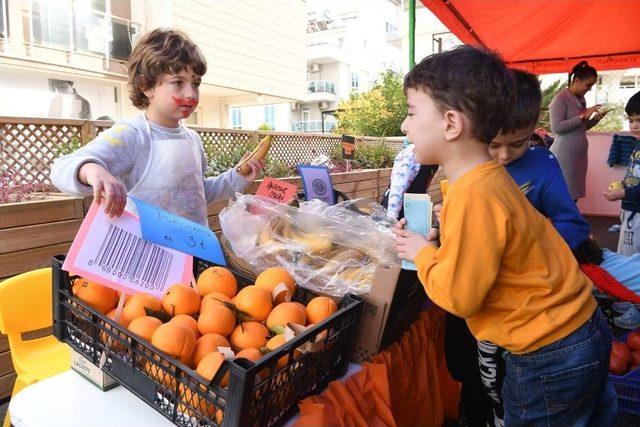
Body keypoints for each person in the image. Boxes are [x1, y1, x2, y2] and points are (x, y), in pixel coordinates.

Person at [393, 45, 616, 426]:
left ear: (451, 124)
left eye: (412, 113)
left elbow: (460, 298)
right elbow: (497, 247)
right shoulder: (488, 181)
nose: (404, 126)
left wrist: (423, 253)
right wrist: (443, 241)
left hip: (547, 352)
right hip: (581, 332)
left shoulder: (472, 195)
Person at [50, 28, 264, 226]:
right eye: (178, 82)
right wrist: (93, 170)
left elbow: (195, 196)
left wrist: (237, 177)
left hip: (192, 253)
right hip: (146, 257)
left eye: (195, 83)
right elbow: (62, 167)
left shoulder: (192, 139)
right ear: (146, 86)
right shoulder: (132, 134)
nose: (191, 93)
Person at [549, 61, 608, 201]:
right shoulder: (560, 99)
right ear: (577, 80)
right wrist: (583, 116)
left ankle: (570, 222)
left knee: (573, 197)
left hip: (578, 157)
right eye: (588, 85)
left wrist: (594, 120)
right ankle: (560, 223)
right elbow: (557, 128)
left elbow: (580, 127)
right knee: (564, 197)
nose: (589, 89)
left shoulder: (581, 99)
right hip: (564, 156)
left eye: (592, 86)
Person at [603, 91, 640, 256]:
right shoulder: (637, 145)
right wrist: (623, 185)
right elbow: (633, 173)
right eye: (631, 120)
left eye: (639, 120)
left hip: (637, 212)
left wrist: (623, 192)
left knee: (629, 258)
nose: (634, 126)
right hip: (631, 208)